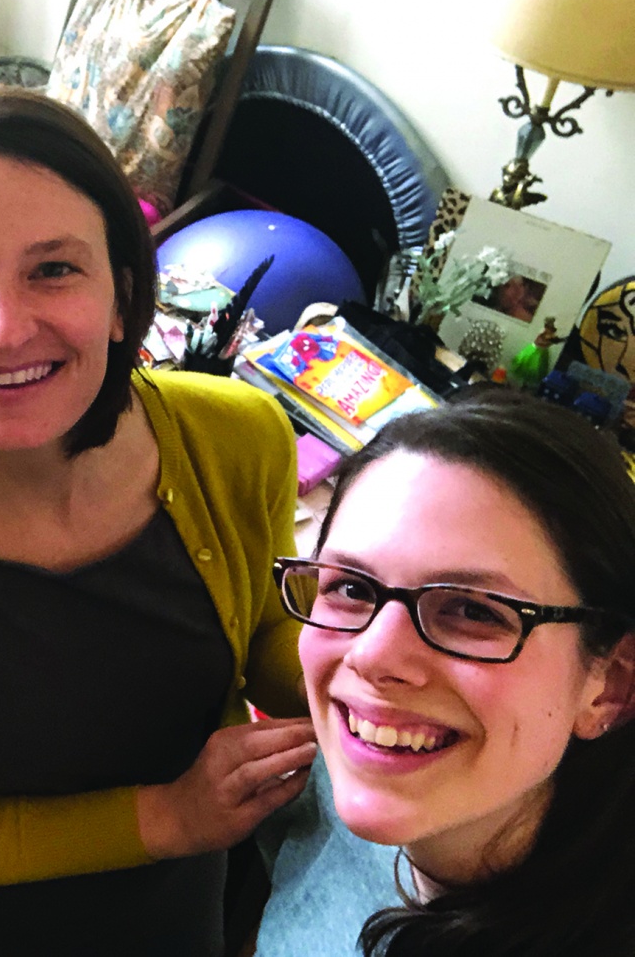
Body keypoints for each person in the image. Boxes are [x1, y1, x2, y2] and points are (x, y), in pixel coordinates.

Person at [0, 86, 315, 955]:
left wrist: (382, 660)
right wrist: (170, 817)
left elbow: (265, 638)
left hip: (187, 917)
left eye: (53, 269)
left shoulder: (239, 438)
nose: (3, 329)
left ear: (121, 295)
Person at [258, 390, 635, 957]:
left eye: (473, 611)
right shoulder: (337, 781)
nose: (371, 656)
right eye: (352, 588)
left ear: (610, 686)